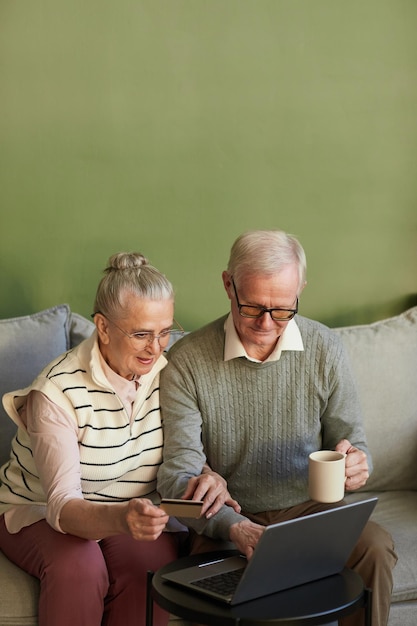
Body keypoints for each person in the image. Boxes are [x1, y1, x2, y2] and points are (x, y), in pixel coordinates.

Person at [157, 230, 397, 626]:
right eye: (252, 307)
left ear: (300, 289)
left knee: (375, 547)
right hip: (229, 521)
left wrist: (358, 463)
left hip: (309, 516)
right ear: (227, 284)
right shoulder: (187, 361)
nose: (267, 324)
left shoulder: (325, 349)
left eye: (283, 309)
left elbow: (355, 444)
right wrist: (236, 528)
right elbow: (176, 480)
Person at [0, 252, 237, 626]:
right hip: (39, 511)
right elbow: (62, 507)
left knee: (151, 569)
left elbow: (181, 450)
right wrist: (122, 518)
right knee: (79, 566)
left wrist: (209, 476)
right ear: (103, 328)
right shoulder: (55, 393)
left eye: (165, 332)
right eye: (141, 334)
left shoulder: (168, 373)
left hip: (133, 512)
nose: (156, 348)